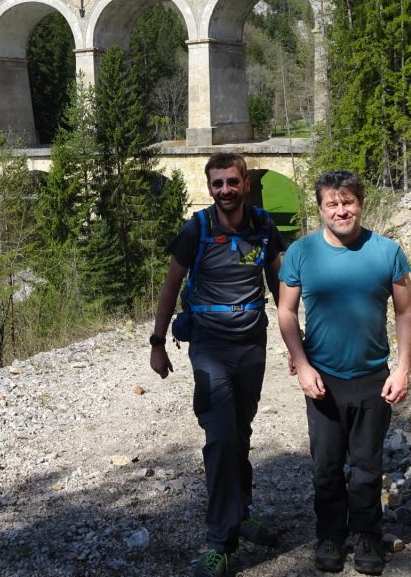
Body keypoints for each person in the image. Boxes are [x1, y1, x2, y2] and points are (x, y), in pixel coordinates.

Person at [150, 152, 286, 577]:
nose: (224, 190)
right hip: (209, 347)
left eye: (232, 182)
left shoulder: (264, 226)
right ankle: (220, 541)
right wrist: (157, 343)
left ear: (246, 184)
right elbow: (171, 287)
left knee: (240, 431)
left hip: (252, 344)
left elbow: (280, 286)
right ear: (209, 188)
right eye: (217, 184)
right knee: (221, 436)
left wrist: (296, 345)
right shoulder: (198, 228)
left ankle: (241, 512)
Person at [277, 170, 411, 576]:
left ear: (361, 203)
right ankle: (330, 535)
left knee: (367, 467)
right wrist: (301, 364)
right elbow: (285, 311)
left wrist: (403, 368)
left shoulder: (387, 251)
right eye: (332, 204)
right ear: (320, 208)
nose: (342, 211)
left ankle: (367, 535)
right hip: (322, 378)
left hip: (373, 376)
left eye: (348, 202)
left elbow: (406, 312)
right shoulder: (301, 253)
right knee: (326, 465)